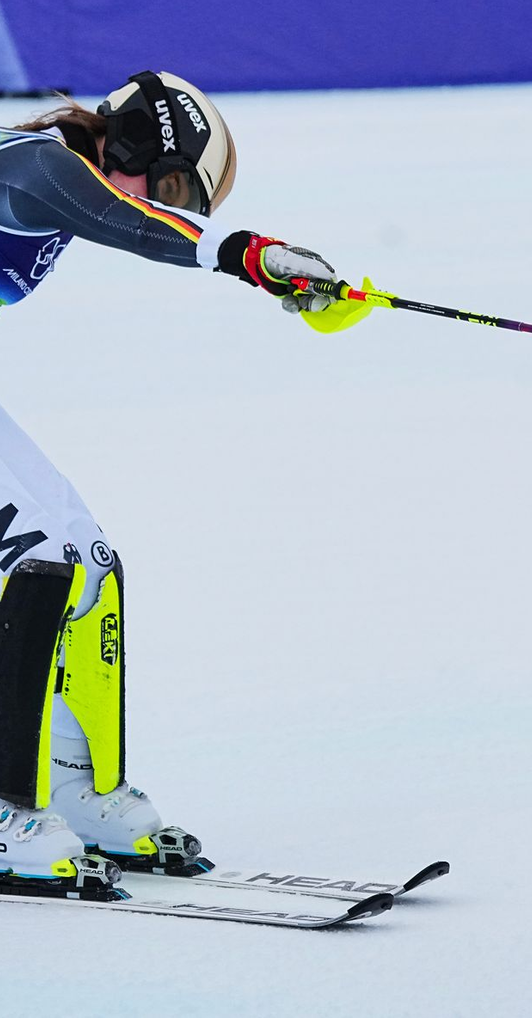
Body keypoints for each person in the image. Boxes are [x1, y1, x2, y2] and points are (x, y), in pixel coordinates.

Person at [0, 71, 354, 891]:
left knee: (88, 559)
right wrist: (244, 254)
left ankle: (79, 788)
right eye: (168, 184)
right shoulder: (31, 164)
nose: (172, 206)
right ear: (126, 145)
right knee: (37, 562)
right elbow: (98, 206)